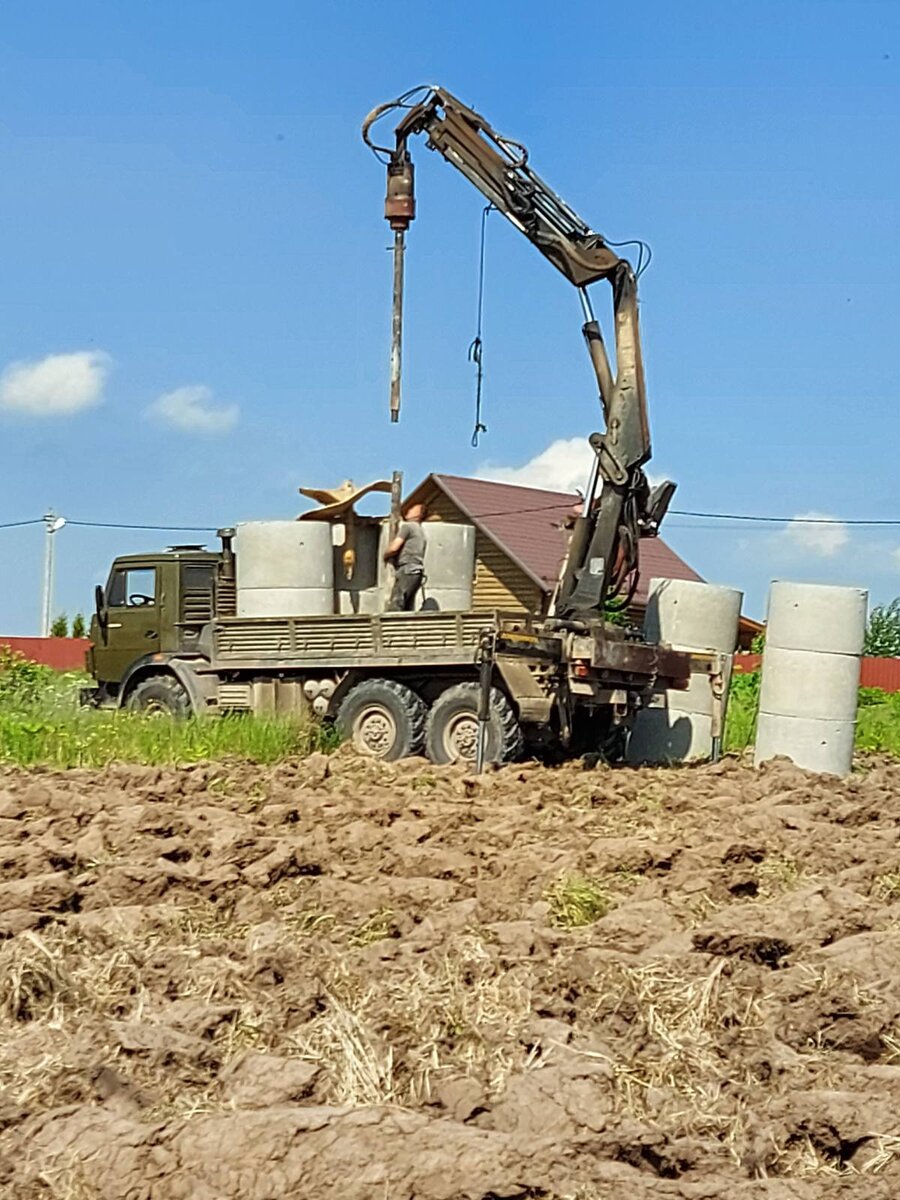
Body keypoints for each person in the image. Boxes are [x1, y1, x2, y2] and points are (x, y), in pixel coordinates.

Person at [384, 503, 427, 611]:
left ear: (418, 514)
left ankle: (392, 627)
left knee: (396, 604)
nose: (408, 510)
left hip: (407, 569)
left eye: (412, 509)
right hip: (417, 572)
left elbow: (394, 547)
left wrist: (385, 555)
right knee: (407, 606)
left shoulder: (408, 526)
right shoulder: (421, 531)